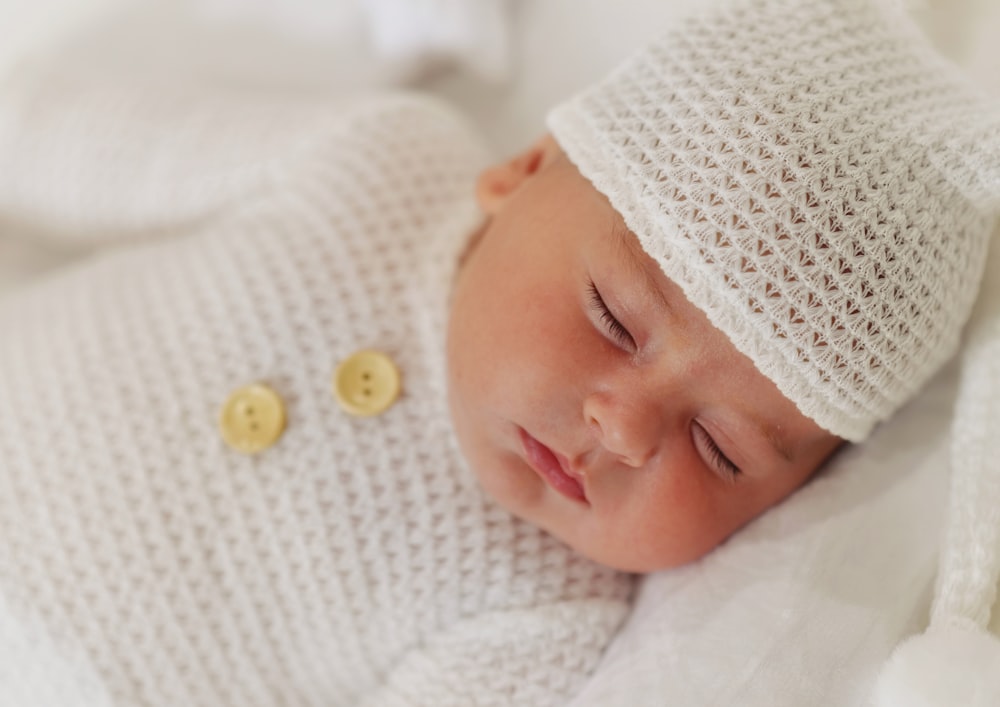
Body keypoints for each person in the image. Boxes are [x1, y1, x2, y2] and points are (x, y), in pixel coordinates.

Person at [0, 0, 997, 704]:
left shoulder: (547, 612)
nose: (624, 426)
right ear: (520, 172)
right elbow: (79, 143)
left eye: (720, 449)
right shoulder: (370, 169)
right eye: (614, 316)